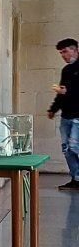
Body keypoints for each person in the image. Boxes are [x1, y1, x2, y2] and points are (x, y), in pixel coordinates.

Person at [48, 36, 79, 190]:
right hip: (66, 116)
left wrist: (68, 91)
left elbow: (69, 91)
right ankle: (76, 179)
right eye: (61, 53)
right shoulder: (66, 70)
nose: (63, 55)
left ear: (75, 50)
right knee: (67, 149)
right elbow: (61, 93)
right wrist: (53, 109)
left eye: (65, 51)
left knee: (75, 147)